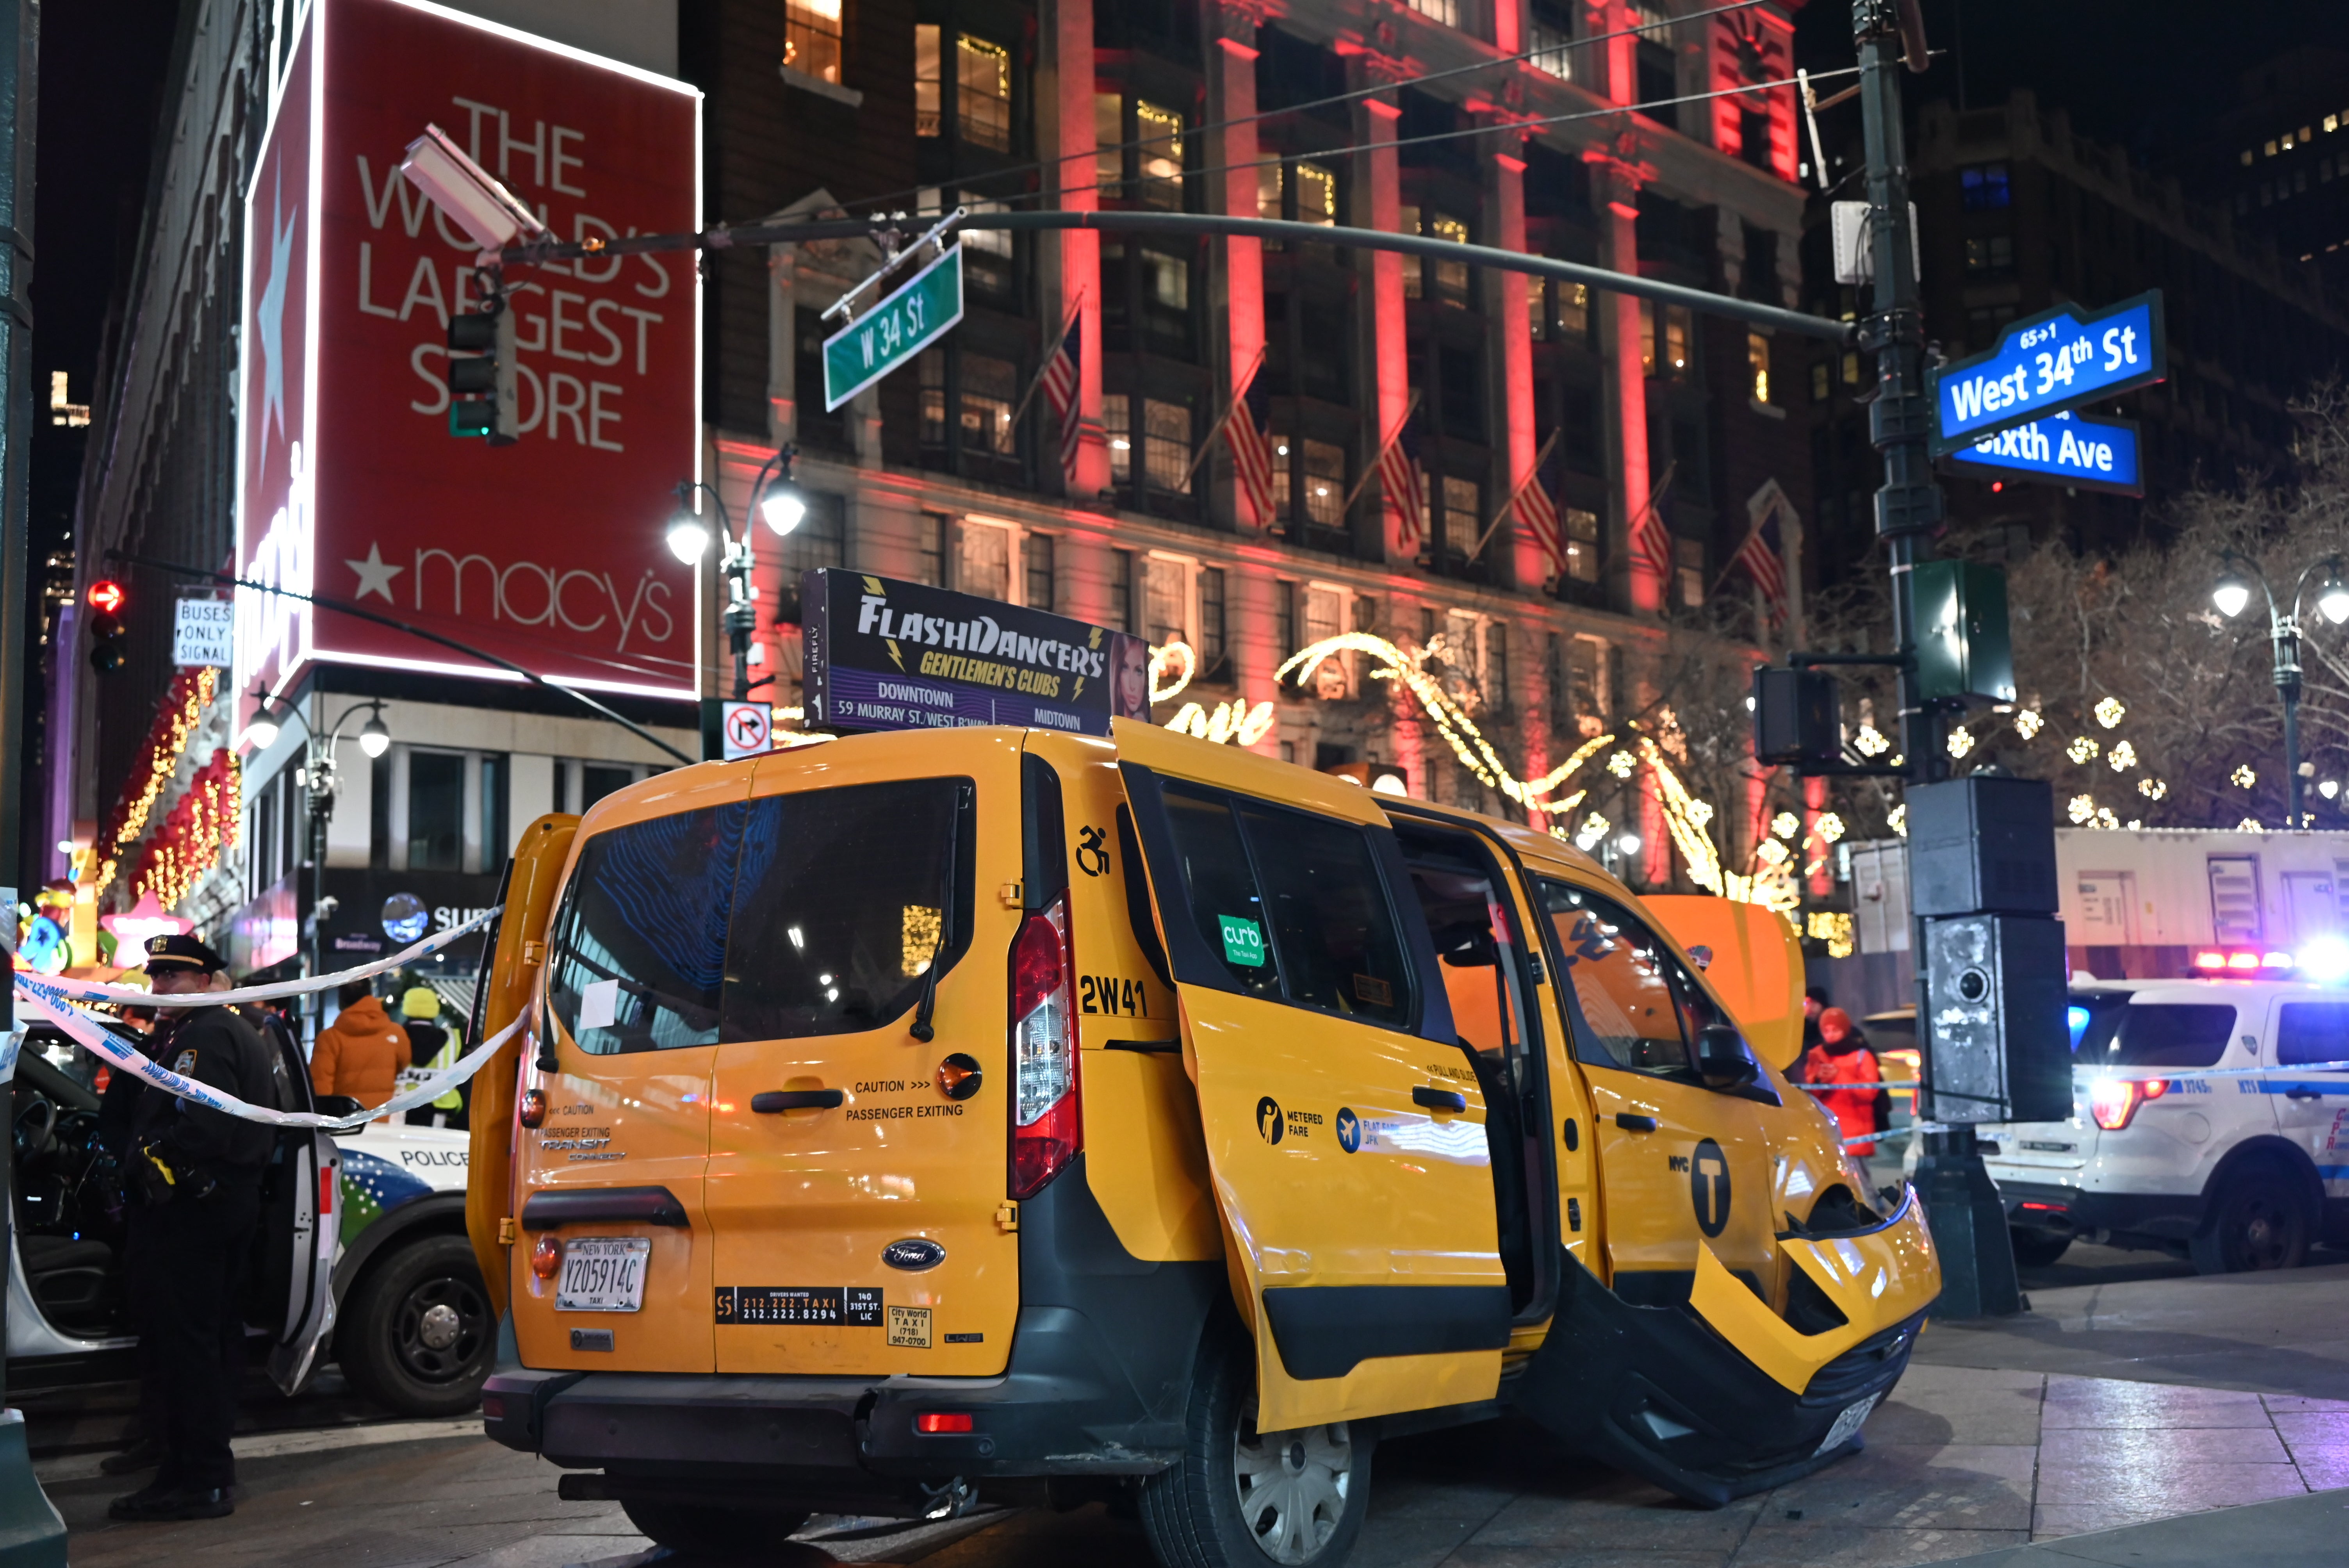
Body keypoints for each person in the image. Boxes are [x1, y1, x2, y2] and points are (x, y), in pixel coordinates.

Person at [107, 934, 278, 1523]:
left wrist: (153, 1157)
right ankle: (196, 1469)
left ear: (206, 982)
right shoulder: (227, 1031)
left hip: (194, 1216)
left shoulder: (204, 1036)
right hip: (221, 1211)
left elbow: (203, 1129)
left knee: (190, 1349)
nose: (159, 988)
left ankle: (196, 1480)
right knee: (211, 1344)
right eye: (155, 977)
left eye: (173, 977)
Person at [1799, 1006, 1890, 1186]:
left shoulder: (1862, 1056)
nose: (1830, 1035)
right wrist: (1819, 1079)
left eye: (1836, 1030)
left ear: (1845, 1029)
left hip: (1856, 1134)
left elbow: (1869, 1092)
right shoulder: (1817, 1055)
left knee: (1862, 1188)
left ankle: (1871, 1212)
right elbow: (1807, 1094)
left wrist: (1839, 1075)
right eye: (1826, 1030)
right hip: (1826, 1134)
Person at [309, 979, 409, 1115]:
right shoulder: (396, 1033)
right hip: (384, 1120)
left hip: (347, 1125)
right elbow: (403, 1066)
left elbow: (321, 1090)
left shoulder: (329, 1038)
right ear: (370, 994)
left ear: (341, 999)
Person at [397, 984, 467, 1128]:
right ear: (435, 1008)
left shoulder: (393, 1037)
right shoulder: (454, 1039)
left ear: (406, 1008)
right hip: (441, 1111)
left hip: (399, 1110)